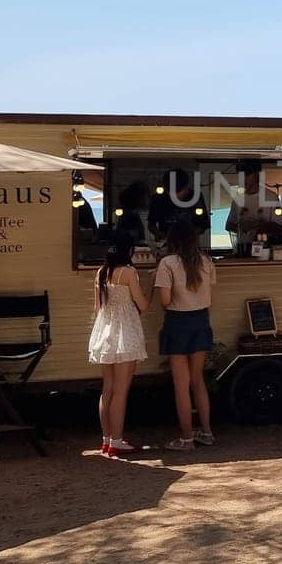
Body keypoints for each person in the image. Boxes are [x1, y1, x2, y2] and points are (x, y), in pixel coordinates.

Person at [155, 221, 216, 450]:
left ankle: (187, 438)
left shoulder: (167, 263)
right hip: (201, 320)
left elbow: (165, 301)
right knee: (198, 379)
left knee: (181, 384)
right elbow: (210, 290)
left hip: (177, 321)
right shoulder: (206, 261)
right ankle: (207, 432)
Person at [87, 246, 149, 459]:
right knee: (122, 390)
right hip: (126, 332)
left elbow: (98, 307)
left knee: (108, 388)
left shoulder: (101, 272)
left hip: (105, 331)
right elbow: (142, 303)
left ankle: (106, 439)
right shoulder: (129, 272)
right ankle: (117, 440)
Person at [149, 169, 211, 241]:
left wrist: (189, 236)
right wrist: (158, 234)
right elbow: (151, 224)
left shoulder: (196, 197)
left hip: (189, 245)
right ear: (165, 189)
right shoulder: (158, 198)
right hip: (165, 244)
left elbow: (203, 225)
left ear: (187, 187)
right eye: (171, 193)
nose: (175, 196)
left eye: (178, 192)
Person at [110, 182, 151, 253]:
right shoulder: (131, 215)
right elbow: (135, 237)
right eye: (147, 195)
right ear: (139, 198)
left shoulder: (128, 214)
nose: (148, 198)